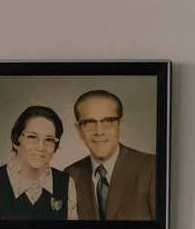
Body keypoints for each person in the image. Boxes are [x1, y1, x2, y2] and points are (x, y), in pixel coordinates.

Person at [63, 90, 158, 222]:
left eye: (108, 121)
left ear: (120, 125)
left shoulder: (152, 168)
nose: (99, 131)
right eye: (89, 123)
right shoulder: (70, 175)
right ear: (79, 130)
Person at [0, 105, 78, 223]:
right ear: (16, 141)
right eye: (32, 137)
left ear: (55, 146)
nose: (41, 147)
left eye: (49, 139)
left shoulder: (67, 183)